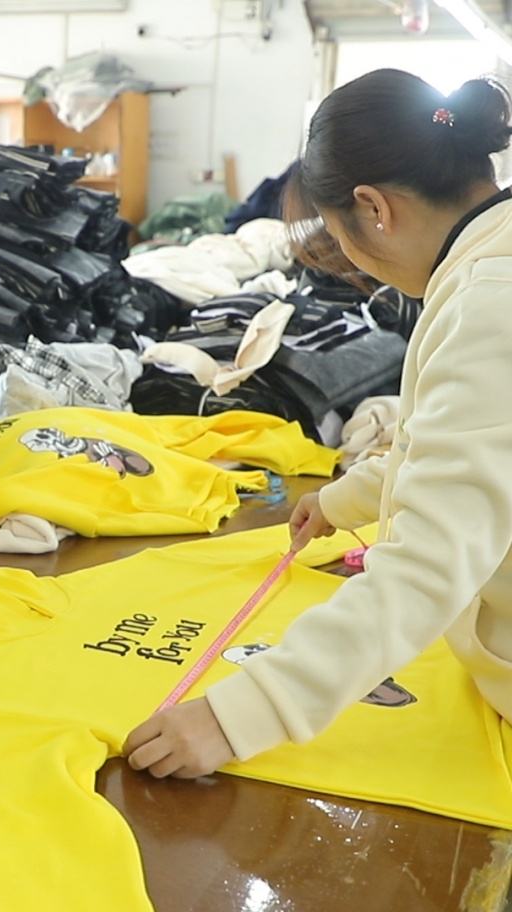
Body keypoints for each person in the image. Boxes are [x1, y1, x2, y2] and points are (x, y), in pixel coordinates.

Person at [124, 68, 512, 778]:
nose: (351, 260)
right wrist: (346, 498)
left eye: (338, 236)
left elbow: (431, 562)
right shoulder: (494, 262)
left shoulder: (491, 302)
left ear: (373, 208)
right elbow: (478, 453)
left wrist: (239, 715)